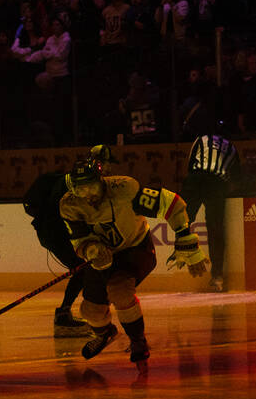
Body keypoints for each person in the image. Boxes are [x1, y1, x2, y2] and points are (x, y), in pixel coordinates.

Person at [59, 155, 209, 370]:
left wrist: (185, 238)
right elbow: (79, 240)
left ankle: (138, 341)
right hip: (102, 258)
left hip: (136, 249)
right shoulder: (69, 205)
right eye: (80, 189)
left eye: (90, 187)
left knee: (119, 291)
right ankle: (106, 333)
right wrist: (91, 249)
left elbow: (171, 203)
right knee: (89, 312)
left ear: (101, 180)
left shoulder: (125, 190)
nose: (87, 194)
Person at [23, 149, 102, 336]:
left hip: (53, 233)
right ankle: (64, 315)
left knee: (83, 268)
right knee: (83, 269)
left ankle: (66, 313)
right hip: (55, 234)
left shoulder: (69, 183)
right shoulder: (69, 187)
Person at [180, 129, 239, 292]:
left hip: (197, 178)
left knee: (184, 219)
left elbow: (190, 165)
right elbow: (236, 179)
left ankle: (181, 252)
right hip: (217, 183)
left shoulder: (201, 139)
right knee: (216, 230)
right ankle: (217, 277)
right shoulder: (232, 148)